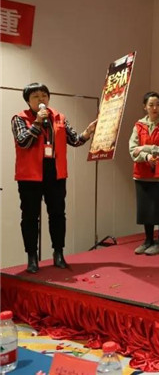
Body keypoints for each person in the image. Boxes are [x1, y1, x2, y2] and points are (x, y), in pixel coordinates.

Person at [12, 82, 97, 273]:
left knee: (58, 214)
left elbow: (74, 140)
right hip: (30, 176)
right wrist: (37, 122)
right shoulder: (19, 119)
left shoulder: (59, 118)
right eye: (35, 96)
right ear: (28, 101)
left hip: (55, 173)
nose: (41, 99)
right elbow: (23, 142)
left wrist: (87, 132)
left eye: (44, 95)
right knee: (30, 217)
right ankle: (32, 257)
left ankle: (58, 253)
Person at [129, 92, 159, 256]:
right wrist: (146, 156)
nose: (155, 108)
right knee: (145, 209)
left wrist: (146, 148)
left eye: (158, 104)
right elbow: (132, 150)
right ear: (145, 107)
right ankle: (148, 240)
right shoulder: (138, 125)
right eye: (151, 105)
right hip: (141, 173)